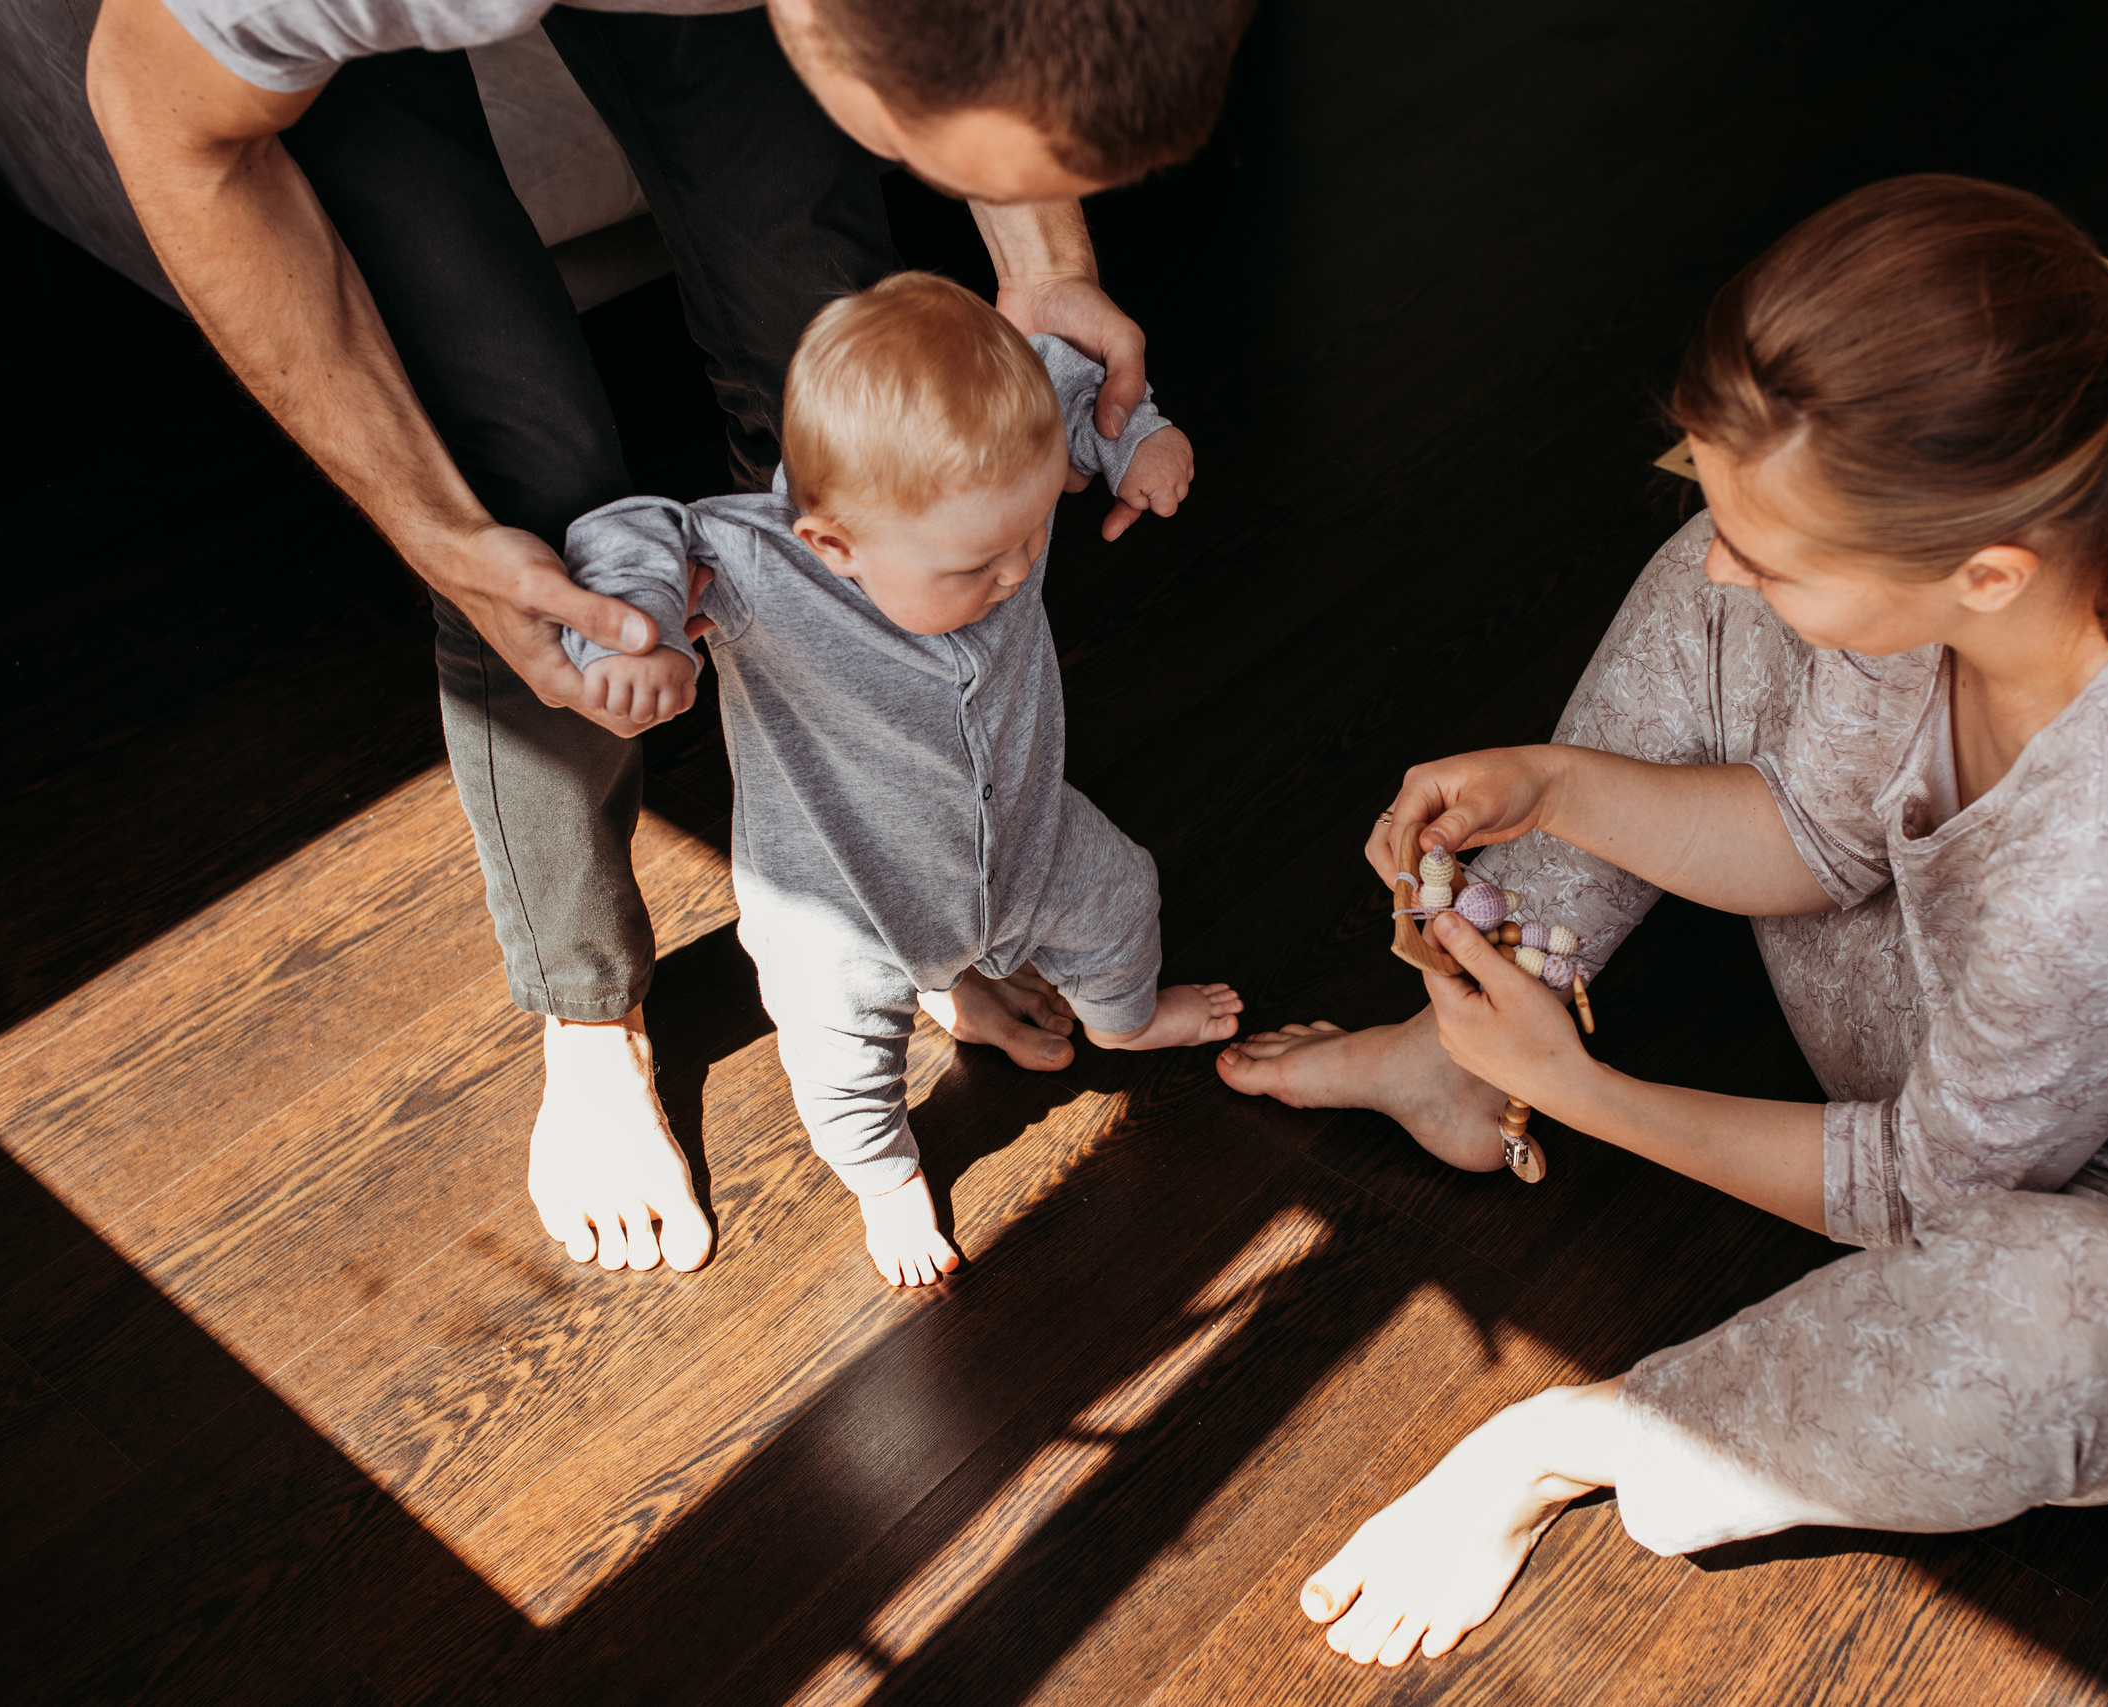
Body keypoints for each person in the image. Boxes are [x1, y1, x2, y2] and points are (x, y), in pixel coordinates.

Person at [1218, 175, 2108, 1666]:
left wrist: (1582, 1088)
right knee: (1713, 604)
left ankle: (1569, 1436)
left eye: (1775, 546)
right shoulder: (1993, 580)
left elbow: (1932, 1191)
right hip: (1967, 1039)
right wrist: (1558, 782)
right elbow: (1816, 826)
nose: (1729, 558)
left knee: (2061, 1316)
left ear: (1986, 571)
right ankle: (1461, 1048)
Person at [85, 0, 1255, 1276]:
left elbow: (1025, 310)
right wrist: (435, 529)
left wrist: (1047, 263)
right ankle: (587, 1011)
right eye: (938, 162)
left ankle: (947, 926)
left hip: (992, 851)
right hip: (275, 59)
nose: (1025, 573)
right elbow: (171, 130)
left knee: (841, 335)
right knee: (529, 495)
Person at [556, 272, 1238, 1285]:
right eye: (974, 565)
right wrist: (638, 632)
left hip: (1029, 841)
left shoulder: (995, 458)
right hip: (845, 905)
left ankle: (1123, 1018)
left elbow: (1066, 378)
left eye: (1030, 535)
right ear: (833, 544)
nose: (1013, 577)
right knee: (841, 1060)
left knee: (1122, 888)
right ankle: (883, 1176)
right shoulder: (758, 564)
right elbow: (628, 532)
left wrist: (1136, 440)